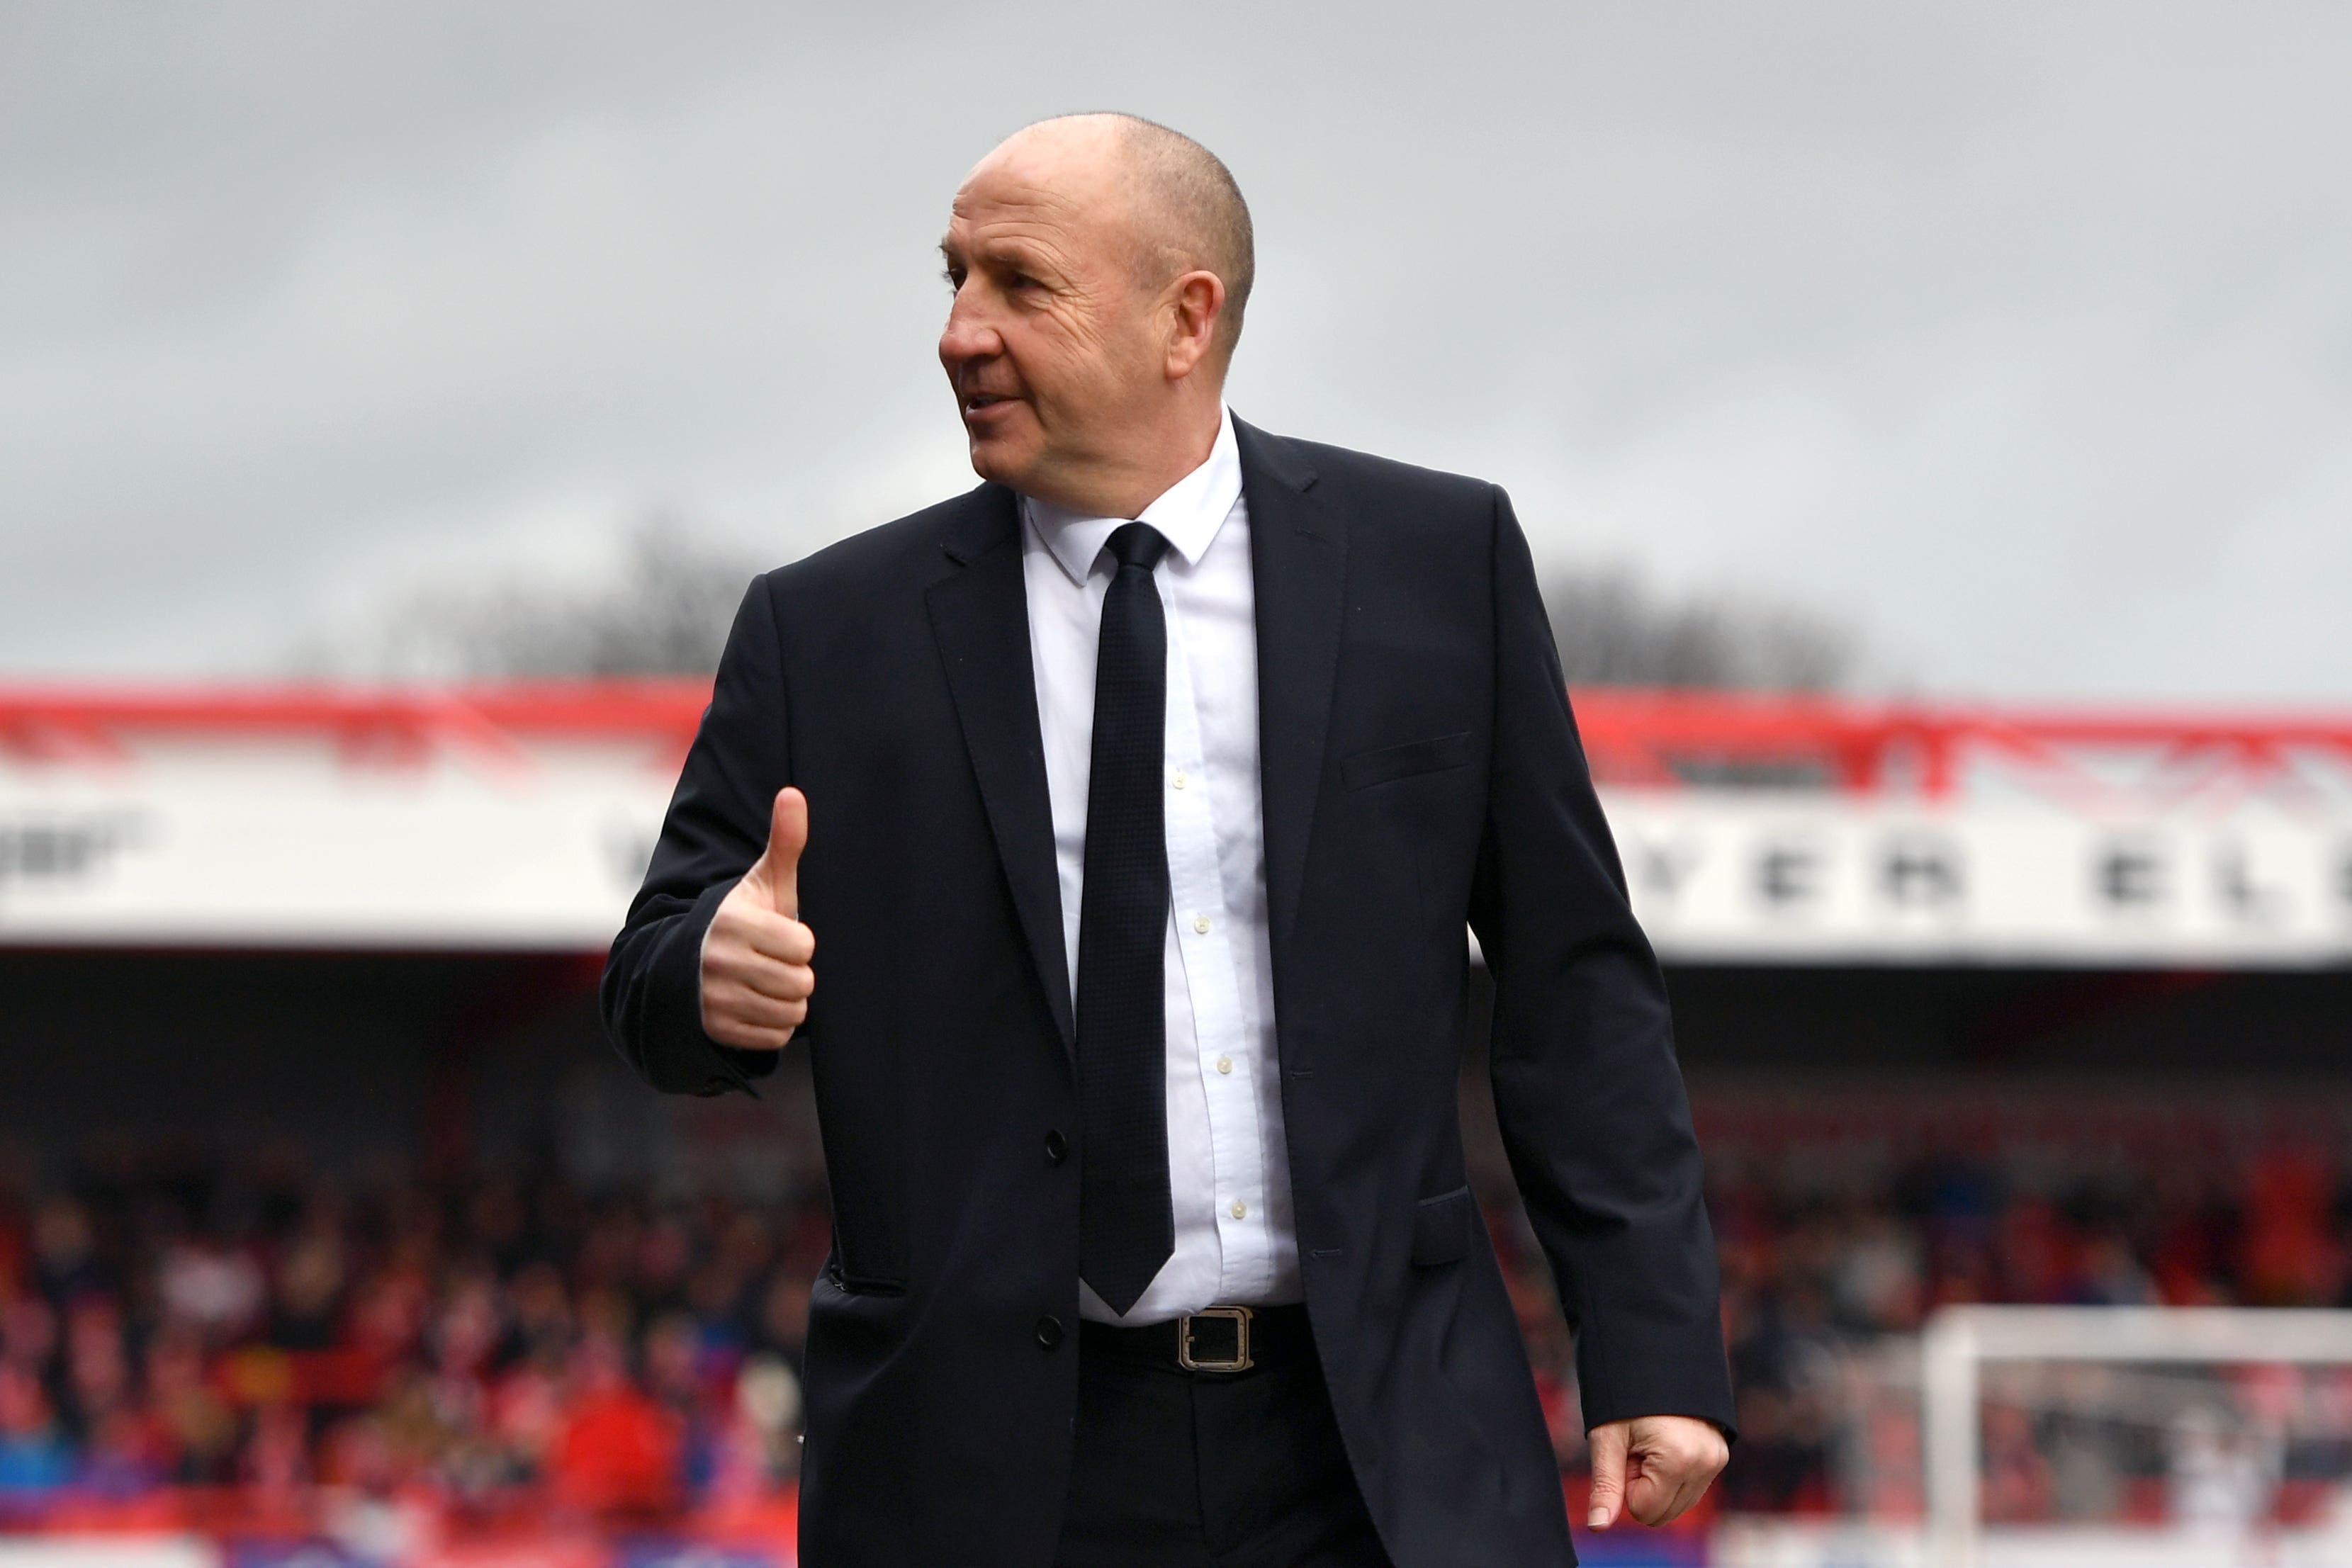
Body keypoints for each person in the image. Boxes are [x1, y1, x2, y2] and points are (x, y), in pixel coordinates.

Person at [603, 112, 1733, 1568]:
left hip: (1374, 1448)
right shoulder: (824, 631)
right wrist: (707, 972)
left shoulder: (1436, 568)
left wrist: (1650, 1345)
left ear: (1184, 316)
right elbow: (652, 978)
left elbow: (1576, 984)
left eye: (1019, 283)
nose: (959, 332)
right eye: (951, 279)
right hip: (987, 1473)